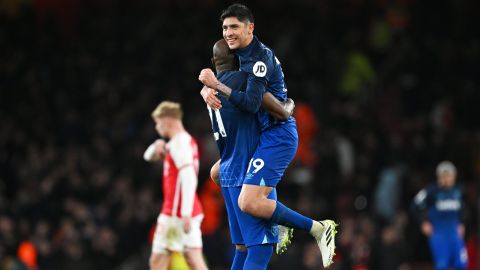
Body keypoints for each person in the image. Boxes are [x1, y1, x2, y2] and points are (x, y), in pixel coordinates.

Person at [198, 4, 337, 268]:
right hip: (261, 135)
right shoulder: (244, 63)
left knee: (248, 201)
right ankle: (278, 216)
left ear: (250, 27)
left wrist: (213, 85)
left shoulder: (257, 60)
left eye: (234, 27)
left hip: (276, 135)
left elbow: (264, 106)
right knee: (219, 174)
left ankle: (318, 228)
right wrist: (208, 89)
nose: (228, 32)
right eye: (225, 27)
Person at [201, 39, 295, 270]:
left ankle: (279, 218)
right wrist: (289, 105)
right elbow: (279, 110)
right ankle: (283, 220)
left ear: (214, 63)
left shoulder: (209, 91)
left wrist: (207, 87)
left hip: (229, 168)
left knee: (242, 248)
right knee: (260, 249)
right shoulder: (243, 81)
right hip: (246, 166)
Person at [143, 101, 208, 270]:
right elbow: (148, 157)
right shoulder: (181, 143)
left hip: (176, 213)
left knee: (158, 261)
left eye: (158, 122)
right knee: (193, 259)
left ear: (167, 121)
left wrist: (184, 213)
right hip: (185, 211)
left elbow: (188, 177)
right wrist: (156, 146)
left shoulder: (179, 144)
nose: (157, 127)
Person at [413, 161, 468, 270]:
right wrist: (423, 222)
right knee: (442, 265)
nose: (447, 178)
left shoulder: (458, 191)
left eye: (449, 175)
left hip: (454, 232)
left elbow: (464, 210)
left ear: (454, 176)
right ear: (439, 177)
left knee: (461, 264)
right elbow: (415, 205)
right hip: (439, 232)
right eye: (444, 175)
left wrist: (462, 223)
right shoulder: (431, 191)